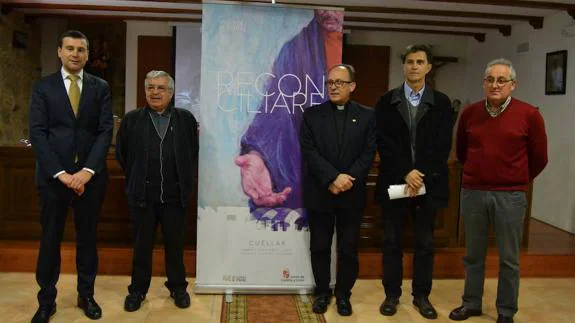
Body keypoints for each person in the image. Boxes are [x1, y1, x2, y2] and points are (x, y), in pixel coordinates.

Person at [449, 58, 548, 323]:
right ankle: (471, 303)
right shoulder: (469, 114)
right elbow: (461, 151)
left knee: (509, 258)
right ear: (484, 83)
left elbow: (539, 157)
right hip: (473, 193)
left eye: (501, 80)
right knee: (473, 254)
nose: (495, 84)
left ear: (513, 85)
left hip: (511, 195)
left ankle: (506, 310)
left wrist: (516, 180)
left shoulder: (529, 115)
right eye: (490, 79)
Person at [29, 30, 113, 322]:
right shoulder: (43, 88)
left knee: (87, 239)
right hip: (54, 179)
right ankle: (46, 301)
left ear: (88, 55)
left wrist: (87, 171)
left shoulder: (100, 87)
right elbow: (37, 134)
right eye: (70, 48)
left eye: (81, 49)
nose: (75, 54)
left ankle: (86, 295)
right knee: (50, 239)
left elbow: (105, 130)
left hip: (90, 179)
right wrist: (62, 173)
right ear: (59, 52)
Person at [234, 10, 343, 230]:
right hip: (310, 180)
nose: (330, 12)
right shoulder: (294, 51)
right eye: (323, 6)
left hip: (343, 182)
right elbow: (273, 112)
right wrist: (256, 154)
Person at [375, 44, 453, 320]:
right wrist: (407, 171)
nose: (415, 66)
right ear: (404, 66)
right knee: (392, 242)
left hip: (427, 183)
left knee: (425, 243)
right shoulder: (386, 101)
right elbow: (384, 142)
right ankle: (391, 295)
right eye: (410, 61)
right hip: (396, 183)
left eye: (420, 62)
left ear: (429, 67)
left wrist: (419, 172)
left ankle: (421, 296)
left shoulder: (442, 102)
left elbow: (442, 145)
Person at [116, 70, 199, 312]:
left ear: (171, 93)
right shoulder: (132, 120)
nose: (155, 92)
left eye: (161, 88)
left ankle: (178, 288)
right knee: (142, 246)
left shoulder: (185, 119)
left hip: (175, 196)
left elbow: (191, 152)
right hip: (142, 196)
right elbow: (122, 154)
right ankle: (137, 291)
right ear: (145, 91)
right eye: (150, 87)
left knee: (175, 245)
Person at [300, 64, 376, 316]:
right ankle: (322, 292)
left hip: (351, 194)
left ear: (352, 86)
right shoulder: (312, 115)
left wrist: (347, 178)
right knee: (320, 246)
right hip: (321, 191)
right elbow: (309, 151)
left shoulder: (367, 115)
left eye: (339, 82)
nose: (333, 86)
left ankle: (343, 294)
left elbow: (368, 153)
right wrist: (332, 177)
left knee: (348, 247)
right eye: (330, 82)